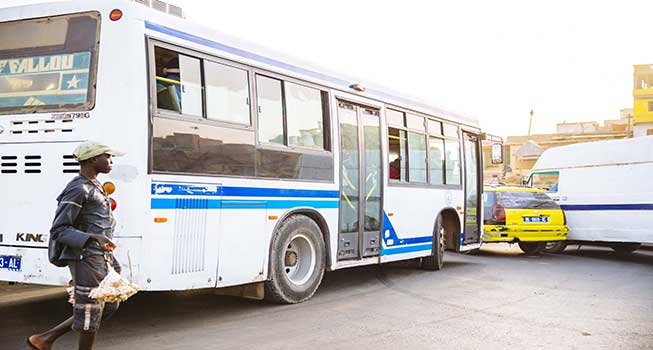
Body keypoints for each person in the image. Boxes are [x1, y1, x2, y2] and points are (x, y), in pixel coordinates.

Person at [27, 142, 125, 350]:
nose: (111, 161)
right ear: (92, 159)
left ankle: (44, 339)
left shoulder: (94, 185)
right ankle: (45, 339)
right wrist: (92, 238)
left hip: (100, 256)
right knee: (91, 311)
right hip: (85, 256)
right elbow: (59, 229)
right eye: (107, 157)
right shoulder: (77, 189)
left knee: (109, 304)